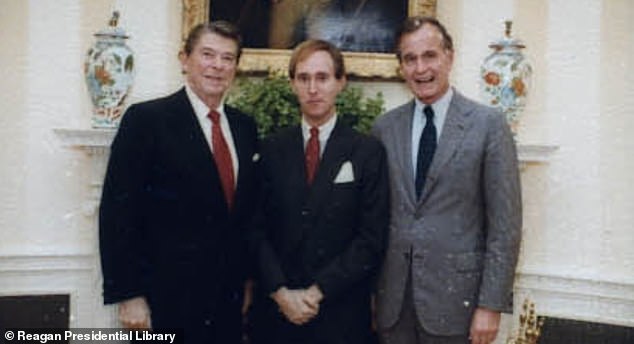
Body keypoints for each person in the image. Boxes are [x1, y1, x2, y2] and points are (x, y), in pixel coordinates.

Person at [99, 21, 258, 344]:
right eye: (208, 54)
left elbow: (243, 215)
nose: (217, 65)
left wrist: (247, 283)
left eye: (227, 58)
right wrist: (129, 294)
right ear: (184, 59)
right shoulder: (146, 121)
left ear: (236, 67)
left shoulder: (245, 127)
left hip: (226, 301)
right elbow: (118, 212)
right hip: (164, 301)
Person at [371, 17, 522, 344]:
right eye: (410, 59)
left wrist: (490, 305)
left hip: (459, 307)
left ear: (449, 57)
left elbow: (505, 227)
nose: (420, 68)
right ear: (401, 66)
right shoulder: (385, 128)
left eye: (430, 55)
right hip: (394, 307)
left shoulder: (489, 125)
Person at [249, 39, 389, 344]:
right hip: (276, 314)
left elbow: (371, 239)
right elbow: (255, 229)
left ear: (341, 83)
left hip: (339, 315)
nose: (313, 88)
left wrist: (316, 292)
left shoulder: (366, 151)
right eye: (303, 78)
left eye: (322, 78)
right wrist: (280, 292)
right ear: (292, 84)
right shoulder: (271, 149)